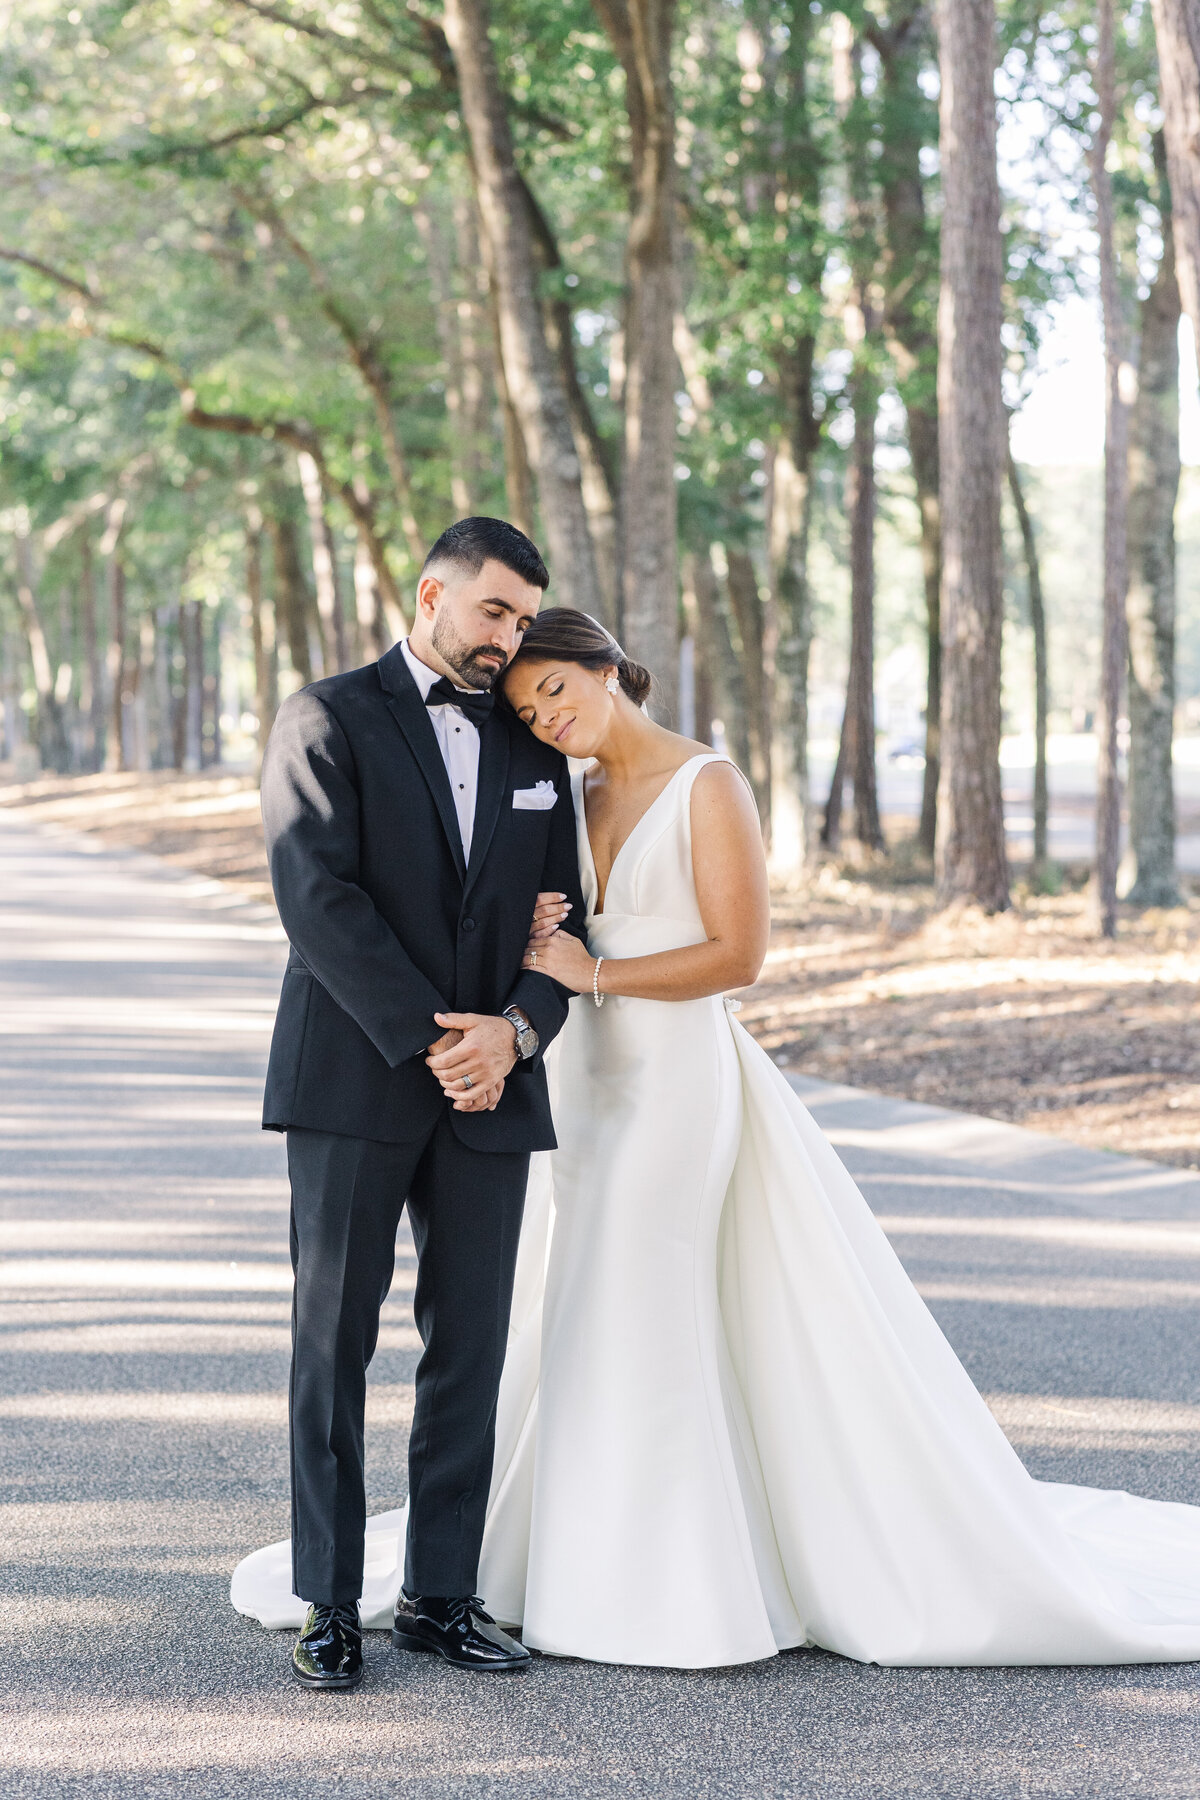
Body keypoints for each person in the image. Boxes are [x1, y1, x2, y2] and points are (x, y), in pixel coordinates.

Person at [247, 520, 586, 1690]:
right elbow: (317, 898)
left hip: (496, 1083)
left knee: (472, 1346)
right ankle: (328, 1603)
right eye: (494, 612)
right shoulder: (326, 717)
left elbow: (569, 922)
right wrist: (437, 1040)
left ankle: (440, 1595)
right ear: (434, 593)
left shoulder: (536, 745)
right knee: (330, 1343)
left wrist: (518, 1030)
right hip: (355, 1079)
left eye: (524, 618)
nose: (509, 637)